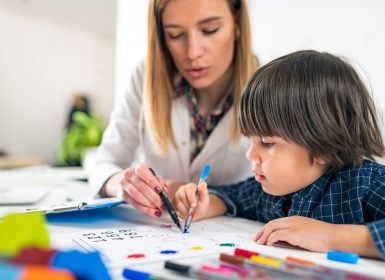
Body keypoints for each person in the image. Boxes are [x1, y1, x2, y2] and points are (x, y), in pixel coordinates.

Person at [173, 50, 385, 259]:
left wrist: (331, 237)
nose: (250, 154)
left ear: (323, 148)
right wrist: (206, 204)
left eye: (267, 143)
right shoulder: (271, 189)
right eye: (251, 139)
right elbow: (234, 197)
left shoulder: (365, 184)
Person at [86, 0, 258, 218]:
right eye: (175, 34)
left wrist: (214, 198)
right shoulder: (146, 77)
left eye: (209, 30)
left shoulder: (273, 88)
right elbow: (104, 161)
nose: (193, 52)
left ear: (237, 25)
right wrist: (122, 184)